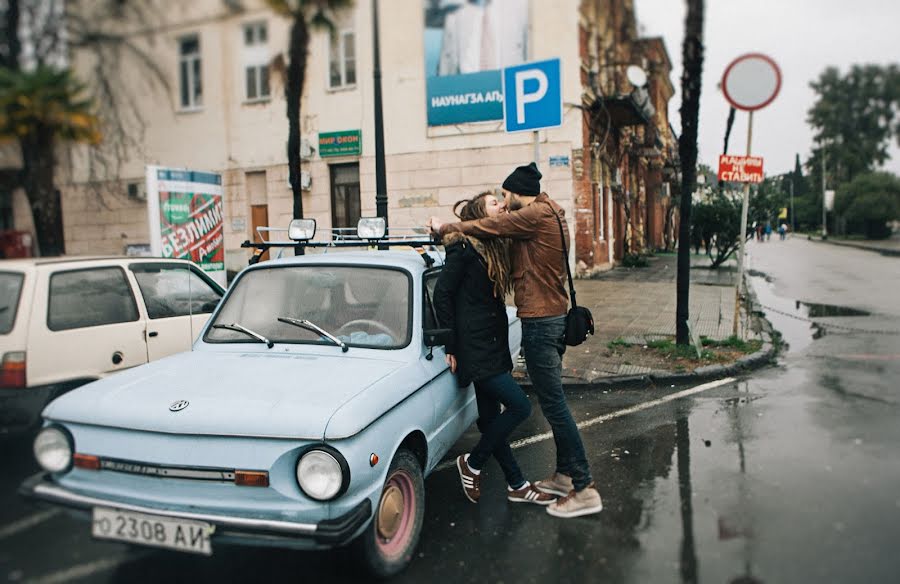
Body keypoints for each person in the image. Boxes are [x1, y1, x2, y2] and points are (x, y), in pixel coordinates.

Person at [428, 162, 603, 519]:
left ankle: (584, 488)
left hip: (541, 322)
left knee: (552, 407)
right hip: (544, 320)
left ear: (516, 191)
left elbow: (492, 226)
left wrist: (448, 227)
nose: (505, 203)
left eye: (505, 195)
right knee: (544, 406)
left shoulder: (535, 214)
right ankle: (564, 477)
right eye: (497, 200)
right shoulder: (548, 212)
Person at [433, 192, 555, 507]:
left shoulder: (494, 246)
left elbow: (517, 216)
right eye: (493, 203)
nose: (501, 205)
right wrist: (450, 342)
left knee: (490, 422)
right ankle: (472, 463)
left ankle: (517, 484)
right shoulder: (463, 248)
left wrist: (514, 204)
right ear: (479, 213)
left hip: (493, 344)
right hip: (475, 346)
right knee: (520, 407)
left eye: (501, 201)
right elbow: (443, 294)